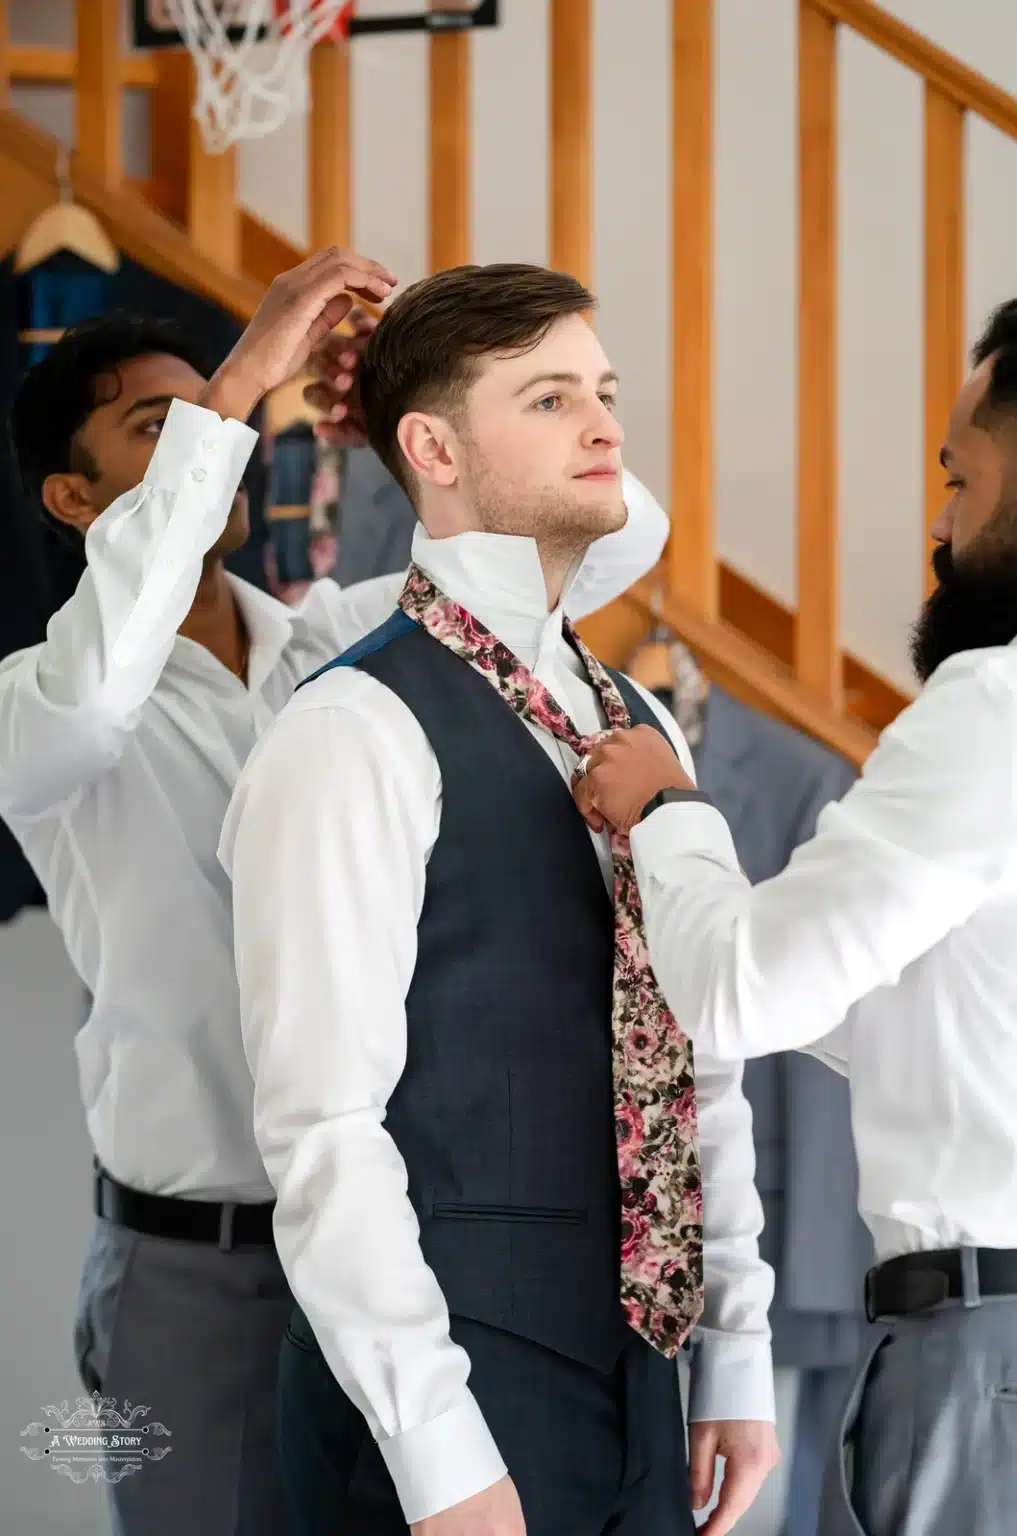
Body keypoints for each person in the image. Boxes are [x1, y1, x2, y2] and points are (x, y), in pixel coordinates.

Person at [0, 250, 669, 1536]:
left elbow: (610, 540)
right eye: (169, 424)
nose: (227, 439)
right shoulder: (44, 708)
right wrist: (247, 368)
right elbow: (93, 691)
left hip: (394, 1268)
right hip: (201, 1274)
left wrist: (436, 412)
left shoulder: (332, 640)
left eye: (229, 414)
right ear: (76, 497)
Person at [219, 262, 780, 1536]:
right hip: (450, 1397)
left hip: (645, 1371)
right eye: (549, 399)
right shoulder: (353, 729)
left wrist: (732, 1353)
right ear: (433, 446)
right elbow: (322, 1128)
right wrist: (436, 1453)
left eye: (606, 391)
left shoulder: (632, 719)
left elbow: (697, 1052)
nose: (605, 428)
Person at [571, 298, 1017, 1536]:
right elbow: (940, 1021)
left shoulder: (991, 712)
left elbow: (745, 991)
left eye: (963, 481)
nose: (939, 526)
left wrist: (670, 812)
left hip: (989, 1362)